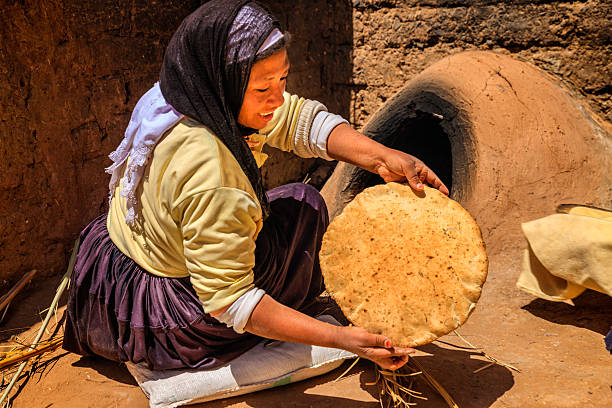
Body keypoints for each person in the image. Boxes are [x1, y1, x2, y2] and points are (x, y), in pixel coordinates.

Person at [63, 0, 449, 373]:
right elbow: (231, 303)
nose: (277, 98)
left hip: (108, 265)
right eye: (263, 89)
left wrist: (382, 157)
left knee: (302, 202)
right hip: (163, 315)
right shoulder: (213, 173)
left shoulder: (185, 92)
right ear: (225, 82)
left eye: (282, 79)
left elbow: (296, 119)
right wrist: (341, 338)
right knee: (304, 221)